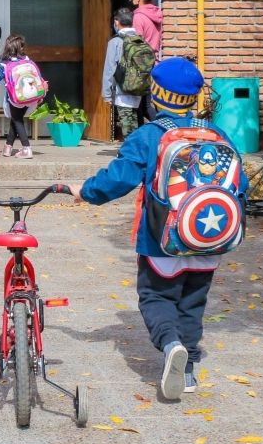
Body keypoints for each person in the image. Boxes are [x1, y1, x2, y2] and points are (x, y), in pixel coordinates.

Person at [74, 58, 248, 400]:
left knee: (156, 296)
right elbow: (240, 184)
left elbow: (119, 178)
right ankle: (189, 370)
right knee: (192, 302)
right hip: (209, 238)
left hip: (161, 238)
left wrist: (86, 191)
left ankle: (170, 345)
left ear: (157, 95)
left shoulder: (150, 135)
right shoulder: (216, 134)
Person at [0, 34, 39, 158]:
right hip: (30, 96)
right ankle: (8, 147)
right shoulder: (27, 59)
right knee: (16, 120)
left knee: (17, 120)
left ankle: (26, 148)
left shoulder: (4, 64)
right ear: (20, 47)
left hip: (15, 98)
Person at [103, 7, 144, 140]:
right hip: (138, 88)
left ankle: (130, 153)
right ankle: (135, 149)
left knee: (126, 122)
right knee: (135, 121)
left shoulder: (115, 42)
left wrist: (107, 94)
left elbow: (109, 68)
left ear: (116, 22)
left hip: (122, 89)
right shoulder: (140, 41)